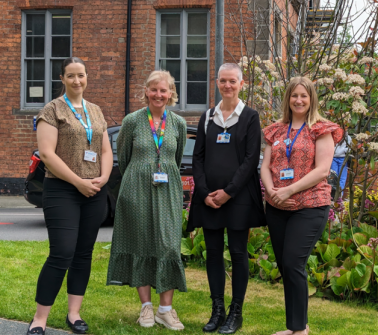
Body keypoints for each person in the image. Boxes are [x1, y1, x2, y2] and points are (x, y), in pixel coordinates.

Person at [27, 57, 113, 335]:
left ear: (87, 77)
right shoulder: (51, 110)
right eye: (71, 76)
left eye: (81, 75)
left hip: (94, 191)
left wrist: (104, 177)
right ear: (62, 79)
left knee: (83, 254)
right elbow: (48, 155)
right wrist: (78, 182)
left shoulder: (96, 111)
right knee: (61, 253)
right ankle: (40, 319)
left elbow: (105, 151)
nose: (77, 80)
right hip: (63, 189)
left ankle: (74, 314)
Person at [260, 77, 343, 335]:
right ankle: (296, 327)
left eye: (304, 96)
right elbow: (264, 166)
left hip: (309, 206)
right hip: (277, 206)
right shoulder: (274, 130)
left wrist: (288, 190)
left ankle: (300, 330)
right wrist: (271, 191)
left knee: (293, 262)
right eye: (294, 95)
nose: (298, 100)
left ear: (311, 99)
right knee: (286, 266)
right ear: (288, 99)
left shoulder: (322, 129)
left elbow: (322, 171)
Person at [188, 63, 266, 334]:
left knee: (237, 253)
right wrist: (204, 192)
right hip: (209, 198)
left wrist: (228, 192)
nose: (228, 85)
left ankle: (236, 312)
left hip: (238, 198)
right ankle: (217, 310)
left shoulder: (250, 117)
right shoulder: (208, 117)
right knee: (212, 255)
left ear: (241, 83)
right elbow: (197, 157)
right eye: (223, 81)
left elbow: (250, 160)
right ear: (217, 83)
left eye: (233, 81)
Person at [107, 70, 187, 330]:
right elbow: (125, 157)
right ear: (146, 92)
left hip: (168, 191)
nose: (158, 94)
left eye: (164, 90)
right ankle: (146, 308)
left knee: (169, 245)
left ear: (171, 94)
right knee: (140, 243)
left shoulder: (178, 124)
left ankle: (166, 309)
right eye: (154, 89)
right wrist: (141, 174)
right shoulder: (131, 121)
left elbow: (175, 160)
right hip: (136, 190)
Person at [331, 131, 351, 196]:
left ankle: (340, 195)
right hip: (333, 158)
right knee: (334, 176)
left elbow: (350, 149)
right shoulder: (333, 136)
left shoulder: (348, 138)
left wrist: (344, 150)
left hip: (343, 158)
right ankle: (333, 195)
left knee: (342, 177)